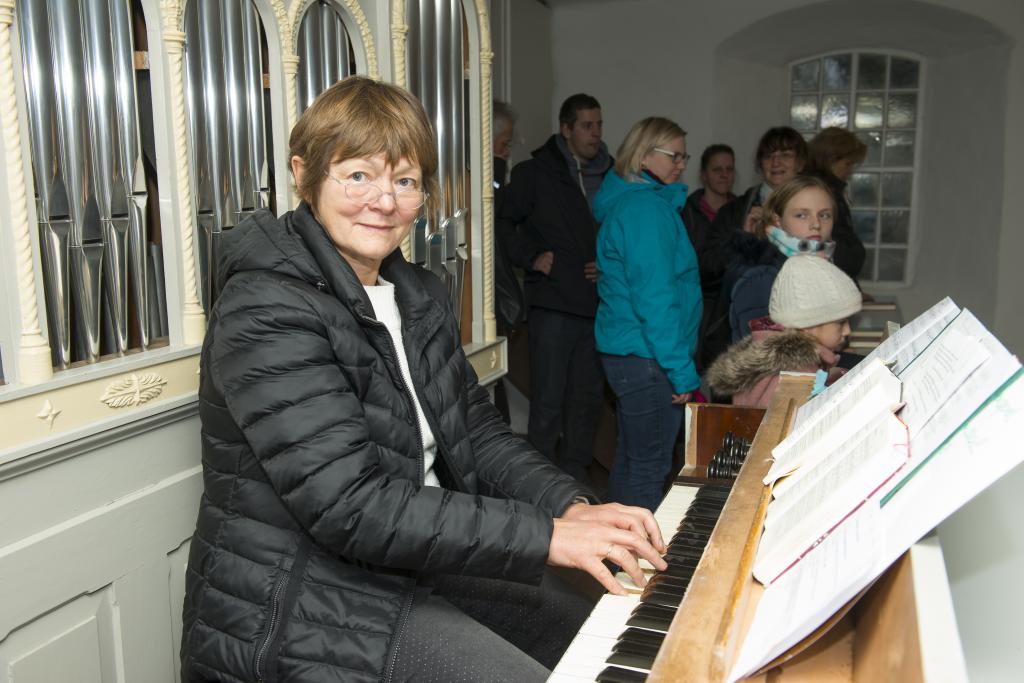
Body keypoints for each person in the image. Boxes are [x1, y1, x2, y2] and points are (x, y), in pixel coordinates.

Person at [179, 77, 667, 683]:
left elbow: (478, 432)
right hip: (307, 596)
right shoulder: (266, 307)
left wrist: (566, 505)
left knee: (612, 619)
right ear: (304, 175)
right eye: (357, 175)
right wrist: (544, 537)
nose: (383, 201)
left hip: (415, 557)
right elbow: (348, 505)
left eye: (405, 181)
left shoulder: (416, 294)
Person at [496, 93, 612, 483]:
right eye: (586, 126)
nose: (595, 134)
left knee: (586, 401)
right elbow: (502, 222)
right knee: (547, 401)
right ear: (566, 129)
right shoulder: (535, 173)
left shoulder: (612, 176)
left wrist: (610, 263)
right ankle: (540, 484)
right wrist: (532, 257)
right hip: (553, 304)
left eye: (598, 125)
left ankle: (576, 480)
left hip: (598, 306)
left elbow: (620, 231)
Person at [593, 116, 702, 512]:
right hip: (648, 357)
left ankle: (617, 556)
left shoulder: (643, 205)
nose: (681, 165)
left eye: (684, 156)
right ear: (643, 155)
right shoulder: (644, 211)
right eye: (674, 155)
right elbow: (655, 299)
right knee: (648, 468)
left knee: (633, 459)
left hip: (636, 353)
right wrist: (681, 370)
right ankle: (637, 567)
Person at [698, 127, 808, 369]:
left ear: (800, 163)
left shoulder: (816, 208)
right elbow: (707, 269)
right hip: (742, 334)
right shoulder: (734, 211)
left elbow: (845, 260)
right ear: (760, 165)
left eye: (786, 154)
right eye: (769, 156)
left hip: (802, 331)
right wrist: (745, 239)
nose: (776, 162)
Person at [706, 255, 863, 408]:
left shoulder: (790, 363)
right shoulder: (796, 374)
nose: (847, 331)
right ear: (807, 325)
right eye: (841, 323)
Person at [723, 175, 837, 343]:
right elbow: (760, 358)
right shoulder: (761, 276)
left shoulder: (825, 267)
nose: (816, 224)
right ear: (778, 220)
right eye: (802, 215)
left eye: (825, 215)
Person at [679, 143, 736, 371]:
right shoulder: (686, 211)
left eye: (729, 169)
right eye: (717, 169)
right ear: (703, 175)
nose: (724, 175)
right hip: (697, 305)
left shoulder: (742, 210)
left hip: (729, 306)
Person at [492, 99, 524, 424]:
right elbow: (493, 221)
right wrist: (496, 166)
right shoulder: (488, 177)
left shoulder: (495, 175)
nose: (509, 147)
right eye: (506, 140)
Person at [807, 127, 868, 281]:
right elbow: (831, 247)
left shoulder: (831, 191)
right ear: (830, 160)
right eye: (847, 164)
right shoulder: (820, 194)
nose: (850, 171)